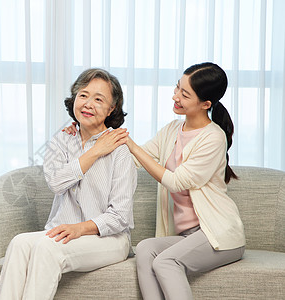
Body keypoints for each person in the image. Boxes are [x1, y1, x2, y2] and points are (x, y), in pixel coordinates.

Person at [64, 62, 246, 300]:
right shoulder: (172, 130)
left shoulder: (213, 138)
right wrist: (84, 136)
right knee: (146, 249)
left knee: (166, 262)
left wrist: (129, 143)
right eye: (177, 88)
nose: (175, 96)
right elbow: (134, 160)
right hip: (187, 235)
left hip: (217, 234)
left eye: (185, 94)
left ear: (206, 104)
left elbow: (177, 181)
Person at [0, 68, 137, 300]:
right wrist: (94, 152)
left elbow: (119, 216)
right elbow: (55, 182)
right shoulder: (62, 139)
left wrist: (79, 229)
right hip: (65, 231)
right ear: (74, 98)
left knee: (47, 248)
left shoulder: (120, 149)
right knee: (20, 243)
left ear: (112, 108)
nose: (88, 103)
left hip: (109, 239)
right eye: (83, 95)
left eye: (99, 99)